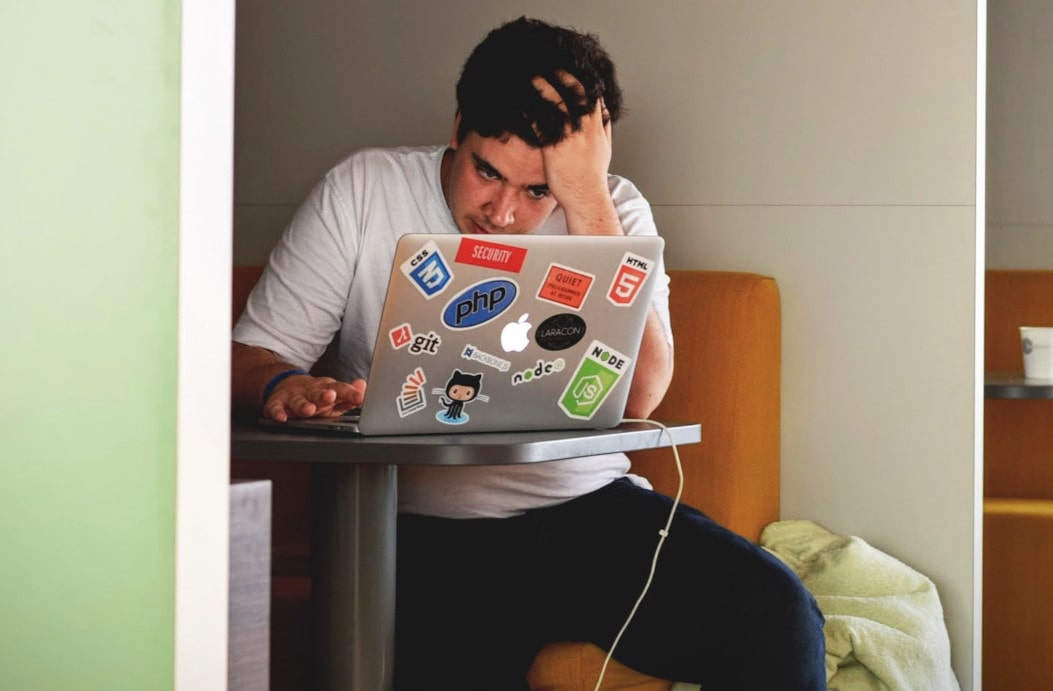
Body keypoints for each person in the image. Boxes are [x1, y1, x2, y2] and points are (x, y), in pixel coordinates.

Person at [230, 16, 826, 691]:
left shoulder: (612, 209)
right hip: (423, 531)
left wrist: (586, 200)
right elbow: (250, 356)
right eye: (488, 172)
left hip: (589, 511)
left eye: (537, 189)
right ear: (458, 128)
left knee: (779, 613)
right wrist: (283, 383)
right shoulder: (362, 190)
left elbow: (641, 395)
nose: (504, 212)